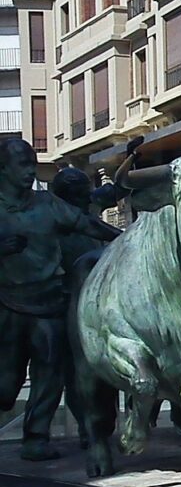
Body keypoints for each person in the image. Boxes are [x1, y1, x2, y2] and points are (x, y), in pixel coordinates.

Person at [0, 139, 119, 459]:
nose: (28, 172)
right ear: (2, 168)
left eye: (31, 164)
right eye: (21, 165)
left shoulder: (47, 203)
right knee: (6, 385)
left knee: (49, 371)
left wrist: (126, 240)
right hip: (7, 304)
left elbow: (87, 222)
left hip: (49, 302)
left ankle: (35, 438)